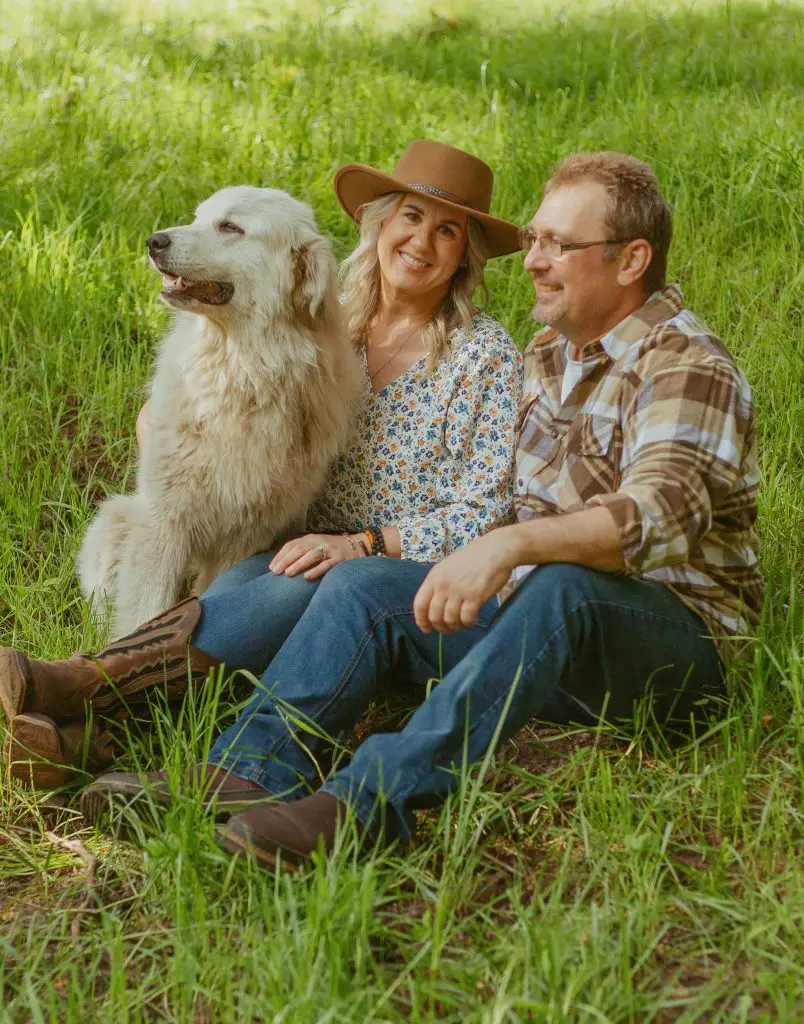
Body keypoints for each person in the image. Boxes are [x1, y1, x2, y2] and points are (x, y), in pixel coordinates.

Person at [77, 150, 763, 869]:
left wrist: (508, 546)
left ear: (631, 261)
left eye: (560, 244)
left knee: (565, 585)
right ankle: (238, 770)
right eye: (534, 239)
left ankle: (367, 805)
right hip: (533, 616)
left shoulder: (686, 364)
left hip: (669, 647)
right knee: (359, 585)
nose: (533, 260)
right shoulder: (554, 356)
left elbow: (658, 515)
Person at [0, 141, 523, 791]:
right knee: (228, 604)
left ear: (465, 256)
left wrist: (360, 544)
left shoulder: (484, 358)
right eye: (409, 219)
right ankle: (93, 733)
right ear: (382, 227)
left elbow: (488, 510)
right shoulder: (333, 322)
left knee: (296, 587)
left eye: (447, 230)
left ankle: (89, 694)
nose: (422, 241)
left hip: (388, 577)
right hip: (290, 546)